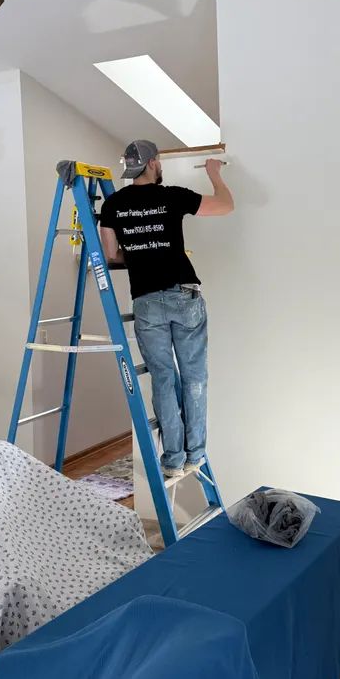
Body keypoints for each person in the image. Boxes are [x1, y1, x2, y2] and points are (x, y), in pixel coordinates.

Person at [99, 140, 234, 477]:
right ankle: (195, 454)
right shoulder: (171, 195)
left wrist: (140, 250)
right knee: (194, 379)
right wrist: (215, 174)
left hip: (145, 300)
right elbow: (226, 205)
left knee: (162, 379)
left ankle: (172, 460)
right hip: (182, 294)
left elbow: (111, 254)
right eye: (158, 162)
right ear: (153, 163)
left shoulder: (112, 205)